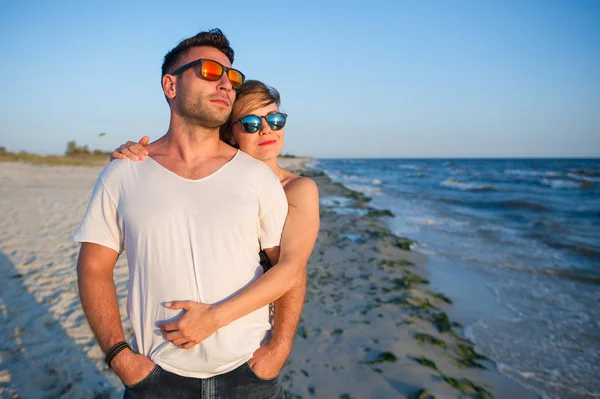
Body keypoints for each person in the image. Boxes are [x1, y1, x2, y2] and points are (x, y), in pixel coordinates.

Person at [74, 29, 318, 399]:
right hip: (154, 377)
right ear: (170, 85)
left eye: (232, 77)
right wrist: (119, 356)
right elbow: (93, 267)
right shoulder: (124, 172)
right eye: (208, 71)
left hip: (249, 375)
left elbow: (289, 268)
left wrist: (277, 350)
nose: (225, 83)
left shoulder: (257, 176)